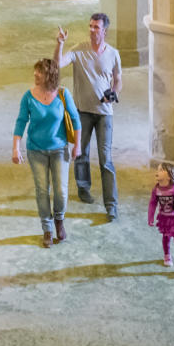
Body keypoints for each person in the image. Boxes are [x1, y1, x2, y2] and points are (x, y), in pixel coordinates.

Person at [54, 13, 122, 219]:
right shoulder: (79, 50)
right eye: (90, 26)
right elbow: (57, 64)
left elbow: (118, 79)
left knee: (106, 159)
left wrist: (114, 93)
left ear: (105, 31)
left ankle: (111, 204)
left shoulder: (113, 54)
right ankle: (83, 188)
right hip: (82, 111)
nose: (92, 30)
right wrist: (60, 44)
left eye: (96, 28)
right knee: (80, 153)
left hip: (104, 114)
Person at [12, 58, 81, 247]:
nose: (35, 75)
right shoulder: (28, 96)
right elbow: (20, 122)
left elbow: (75, 120)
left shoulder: (62, 94)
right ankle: (47, 229)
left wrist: (77, 145)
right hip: (36, 150)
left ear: (49, 75)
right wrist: (16, 147)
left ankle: (59, 219)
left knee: (61, 191)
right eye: (35, 71)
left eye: (39, 72)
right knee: (42, 191)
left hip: (59, 149)